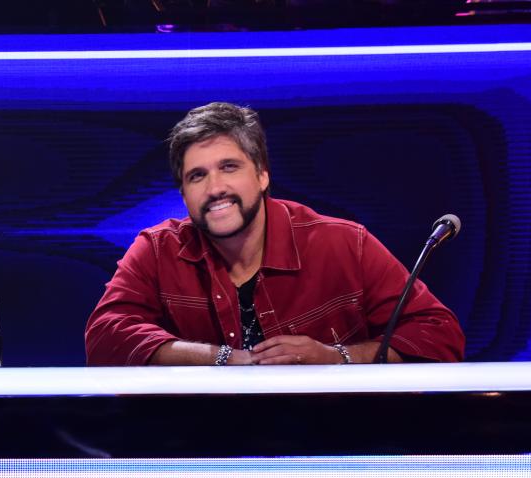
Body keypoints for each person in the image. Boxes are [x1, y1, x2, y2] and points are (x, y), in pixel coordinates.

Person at [85, 102, 465, 366]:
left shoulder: (344, 243)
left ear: (263, 175)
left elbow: (439, 335)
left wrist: (337, 358)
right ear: (184, 194)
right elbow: (104, 337)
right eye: (197, 176)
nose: (215, 188)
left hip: (332, 441)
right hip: (202, 444)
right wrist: (220, 359)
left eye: (229, 167)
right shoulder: (156, 250)